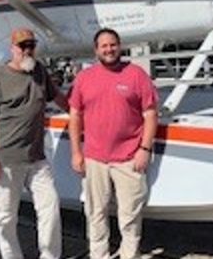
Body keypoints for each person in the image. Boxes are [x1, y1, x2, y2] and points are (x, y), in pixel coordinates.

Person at [0, 27, 68, 259]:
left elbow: (57, 97)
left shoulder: (39, 71)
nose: (27, 50)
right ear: (12, 49)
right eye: (22, 46)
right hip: (6, 160)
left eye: (31, 46)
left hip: (37, 159)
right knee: (5, 218)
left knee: (50, 210)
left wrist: (81, 112)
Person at [68, 28, 159, 259]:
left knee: (129, 215)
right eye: (104, 46)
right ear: (96, 50)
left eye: (113, 45)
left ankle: (129, 255)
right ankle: (99, 255)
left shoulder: (137, 75)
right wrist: (76, 152)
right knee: (95, 213)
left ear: (119, 46)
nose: (109, 49)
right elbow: (75, 116)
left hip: (129, 158)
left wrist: (145, 149)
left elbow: (150, 114)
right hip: (94, 158)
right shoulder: (84, 78)